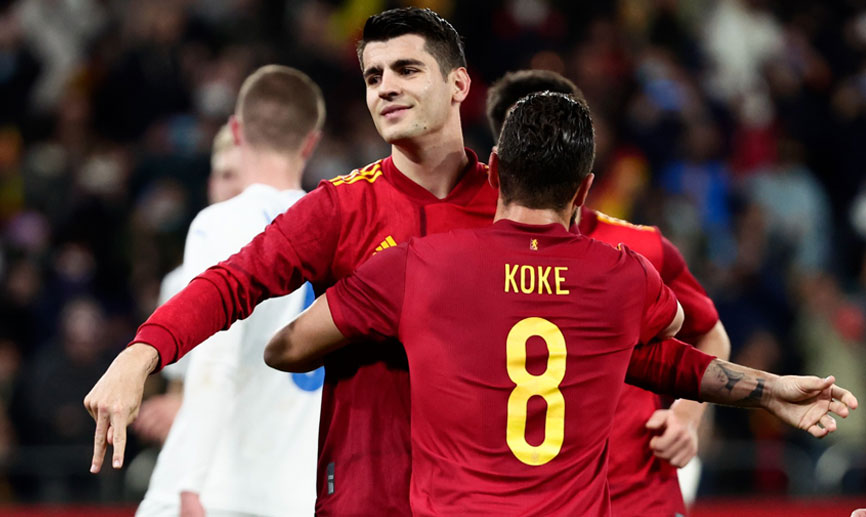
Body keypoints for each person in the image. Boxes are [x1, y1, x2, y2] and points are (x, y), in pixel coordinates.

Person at [263, 92, 858, 515]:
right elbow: (671, 342)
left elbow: (285, 349)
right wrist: (771, 388)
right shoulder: (625, 274)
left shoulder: (420, 266)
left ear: (492, 171)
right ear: (584, 189)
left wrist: (409, 332)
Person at [86, 7, 496, 514]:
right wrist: (139, 355)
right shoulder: (340, 208)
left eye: (407, 69)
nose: (385, 87)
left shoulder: (513, 207)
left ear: (459, 84)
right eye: (373, 76)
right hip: (366, 499)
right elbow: (231, 282)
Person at [486, 69, 730, 514]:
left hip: (638, 493)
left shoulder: (644, 247)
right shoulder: (466, 260)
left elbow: (711, 333)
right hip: (530, 500)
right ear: (498, 162)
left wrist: (687, 415)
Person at [134, 65, 326, 517]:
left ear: (237, 131)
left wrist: (189, 480)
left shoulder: (222, 222)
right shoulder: (337, 224)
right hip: (302, 493)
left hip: (220, 490)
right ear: (311, 141)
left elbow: (214, 362)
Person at [134, 123, 247, 446]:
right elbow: (179, 392)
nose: (232, 189)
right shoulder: (179, 281)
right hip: (212, 448)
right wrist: (176, 410)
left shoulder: (300, 275)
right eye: (223, 176)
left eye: (240, 177)